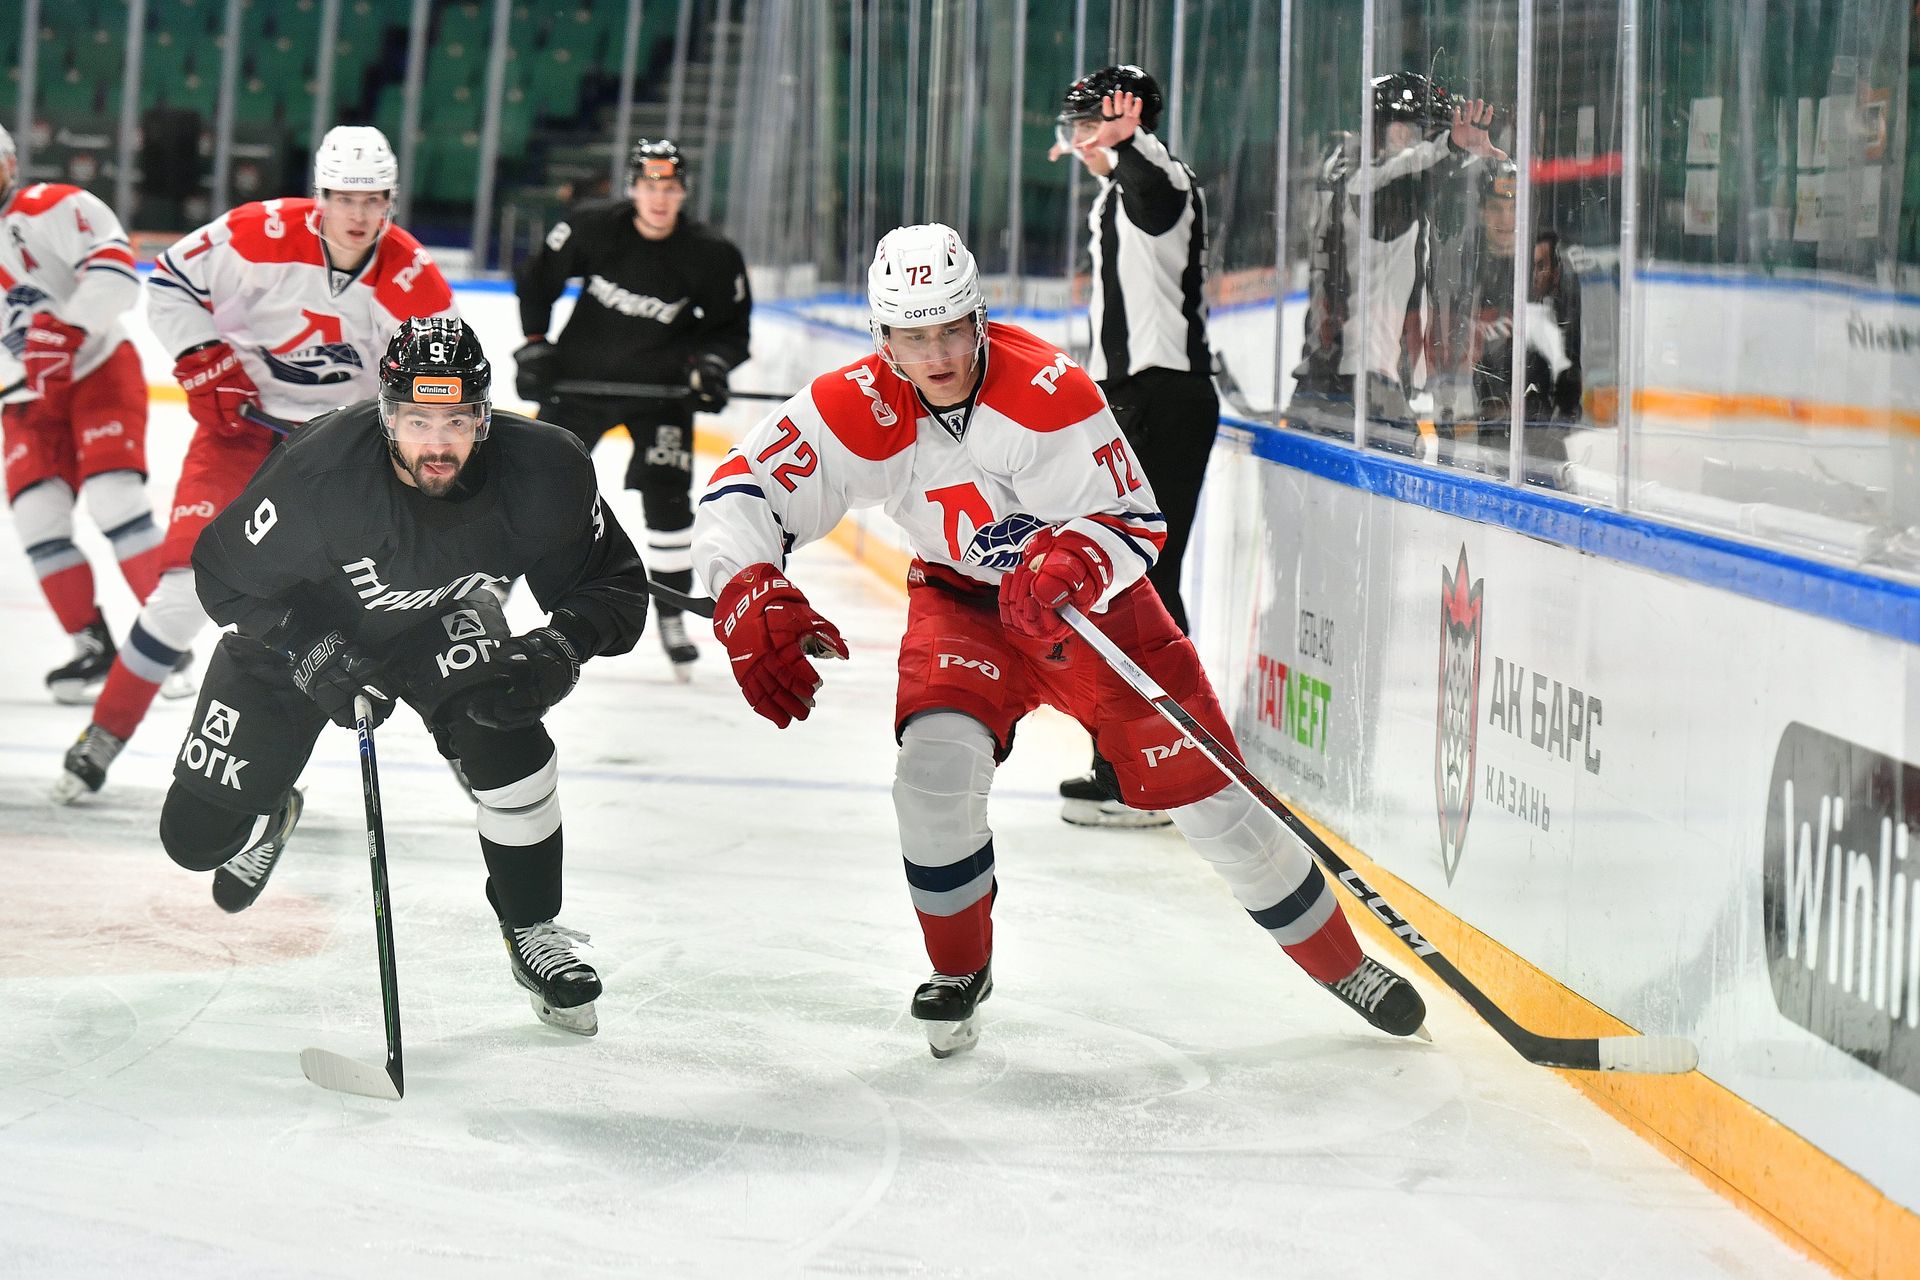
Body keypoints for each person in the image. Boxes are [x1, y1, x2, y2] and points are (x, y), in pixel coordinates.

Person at [690, 223, 1426, 1059]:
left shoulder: (1049, 389)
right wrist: (746, 585)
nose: (934, 355)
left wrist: (1077, 555)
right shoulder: (854, 406)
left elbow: (1135, 521)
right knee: (932, 773)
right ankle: (959, 970)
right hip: (962, 606)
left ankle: (1341, 965)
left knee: (1217, 807)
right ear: (881, 335)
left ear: (978, 317)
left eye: (949, 330)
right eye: (911, 335)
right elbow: (743, 489)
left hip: (1097, 615)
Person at [159, 317, 651, 1036]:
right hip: (296, 631)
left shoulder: (546, 469)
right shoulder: (321, 474)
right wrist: (311, 646)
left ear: (484, 417)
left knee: (504, 728)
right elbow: (223, 577)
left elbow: (614, 588)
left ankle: (531, 927)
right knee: (193, 840)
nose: (439, 443)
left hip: (437, 620)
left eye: (457, 420)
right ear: (388, 415)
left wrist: (558, 648)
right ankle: (271, 808)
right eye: (418, 420)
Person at [52, 125, 457, 803]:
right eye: (344, 197)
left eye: (375, 199)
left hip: (339, 455)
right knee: (183, 590)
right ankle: (105, 731)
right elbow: (172, 280)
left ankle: (481, 753)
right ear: (319, 195)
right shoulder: (255, 233)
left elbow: (438, 388)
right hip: (237, 433)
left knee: (369, 612)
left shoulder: (415, 281)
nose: (359, 215)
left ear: (391, 200)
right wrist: (202, 355)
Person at [1047, 64, 1219, 830]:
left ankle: (1157, 768)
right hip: (1135, 404)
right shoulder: (1119, 189)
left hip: (1163, 402)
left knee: (1141, 585)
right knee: (1122, 583)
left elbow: (1157, 195)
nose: (1080, 134)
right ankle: (1133, 760)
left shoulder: (1159, 179)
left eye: (1094, 119)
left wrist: (1131, 143)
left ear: (1132, 117)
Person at [514, 137, 751, 682]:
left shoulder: (711, 254)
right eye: (649, 187)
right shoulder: (592, 226)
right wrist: (534, 343)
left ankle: (672, 618)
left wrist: (710, 366)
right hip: (578, 384)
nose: (659, 199)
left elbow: (731, 331)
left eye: (670, 188)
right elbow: (538, 280)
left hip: (661, 396)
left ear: (683, 192)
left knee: (668, 502)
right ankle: (490, 591)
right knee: (529, 483)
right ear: (632, 189)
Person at [0, 123, 184, 705]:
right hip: (23, 401)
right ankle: (92, 647)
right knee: (38, 520)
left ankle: (169, 641)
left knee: (115, 499)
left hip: (96, 370)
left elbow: (116, 271)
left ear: (9, 165)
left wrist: (69, 325)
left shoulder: (50, 206)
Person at [1289, 72, 1505, 433]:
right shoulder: (1377, 190)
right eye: (1420, 131)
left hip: (1333, 379)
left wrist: (1478, 159)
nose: (1426, 141)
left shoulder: (1346, 174)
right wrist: (1450, 147)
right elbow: (1403, 169)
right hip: (1365, 386)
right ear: (1394, 132)